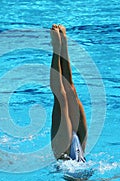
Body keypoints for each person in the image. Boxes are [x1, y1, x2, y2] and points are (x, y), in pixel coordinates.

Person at [50, 24, 87, 162]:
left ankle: (56, 47)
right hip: (80, 151)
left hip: (63, 156)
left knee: (61, 97)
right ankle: (63, 43)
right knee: (71, 90)